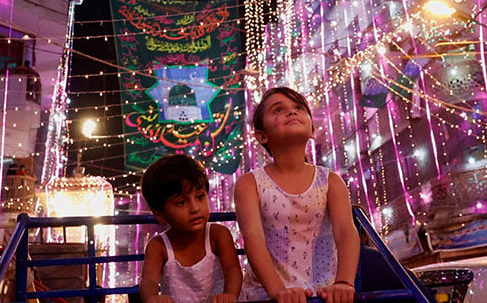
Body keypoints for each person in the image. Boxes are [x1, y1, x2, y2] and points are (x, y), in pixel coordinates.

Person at [234, 86, 361, 303]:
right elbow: (253, 238)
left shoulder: (330, 181)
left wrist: (343, 283)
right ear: (262, 136)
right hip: (268, 295)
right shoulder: (250, 184)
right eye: (277, 110)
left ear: (312, 129)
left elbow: (345, 232)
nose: (291, 112)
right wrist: (277, 291)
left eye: (299, 108)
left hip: (323, 293)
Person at [139, 154, 242, 303]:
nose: (194, 208)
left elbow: (232, 269)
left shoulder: (217, 234)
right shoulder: (158, 246)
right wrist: (152, 298)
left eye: (200, 197)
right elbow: (149, 281)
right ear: (160, 214)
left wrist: (230, 295)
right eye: (181, 202)